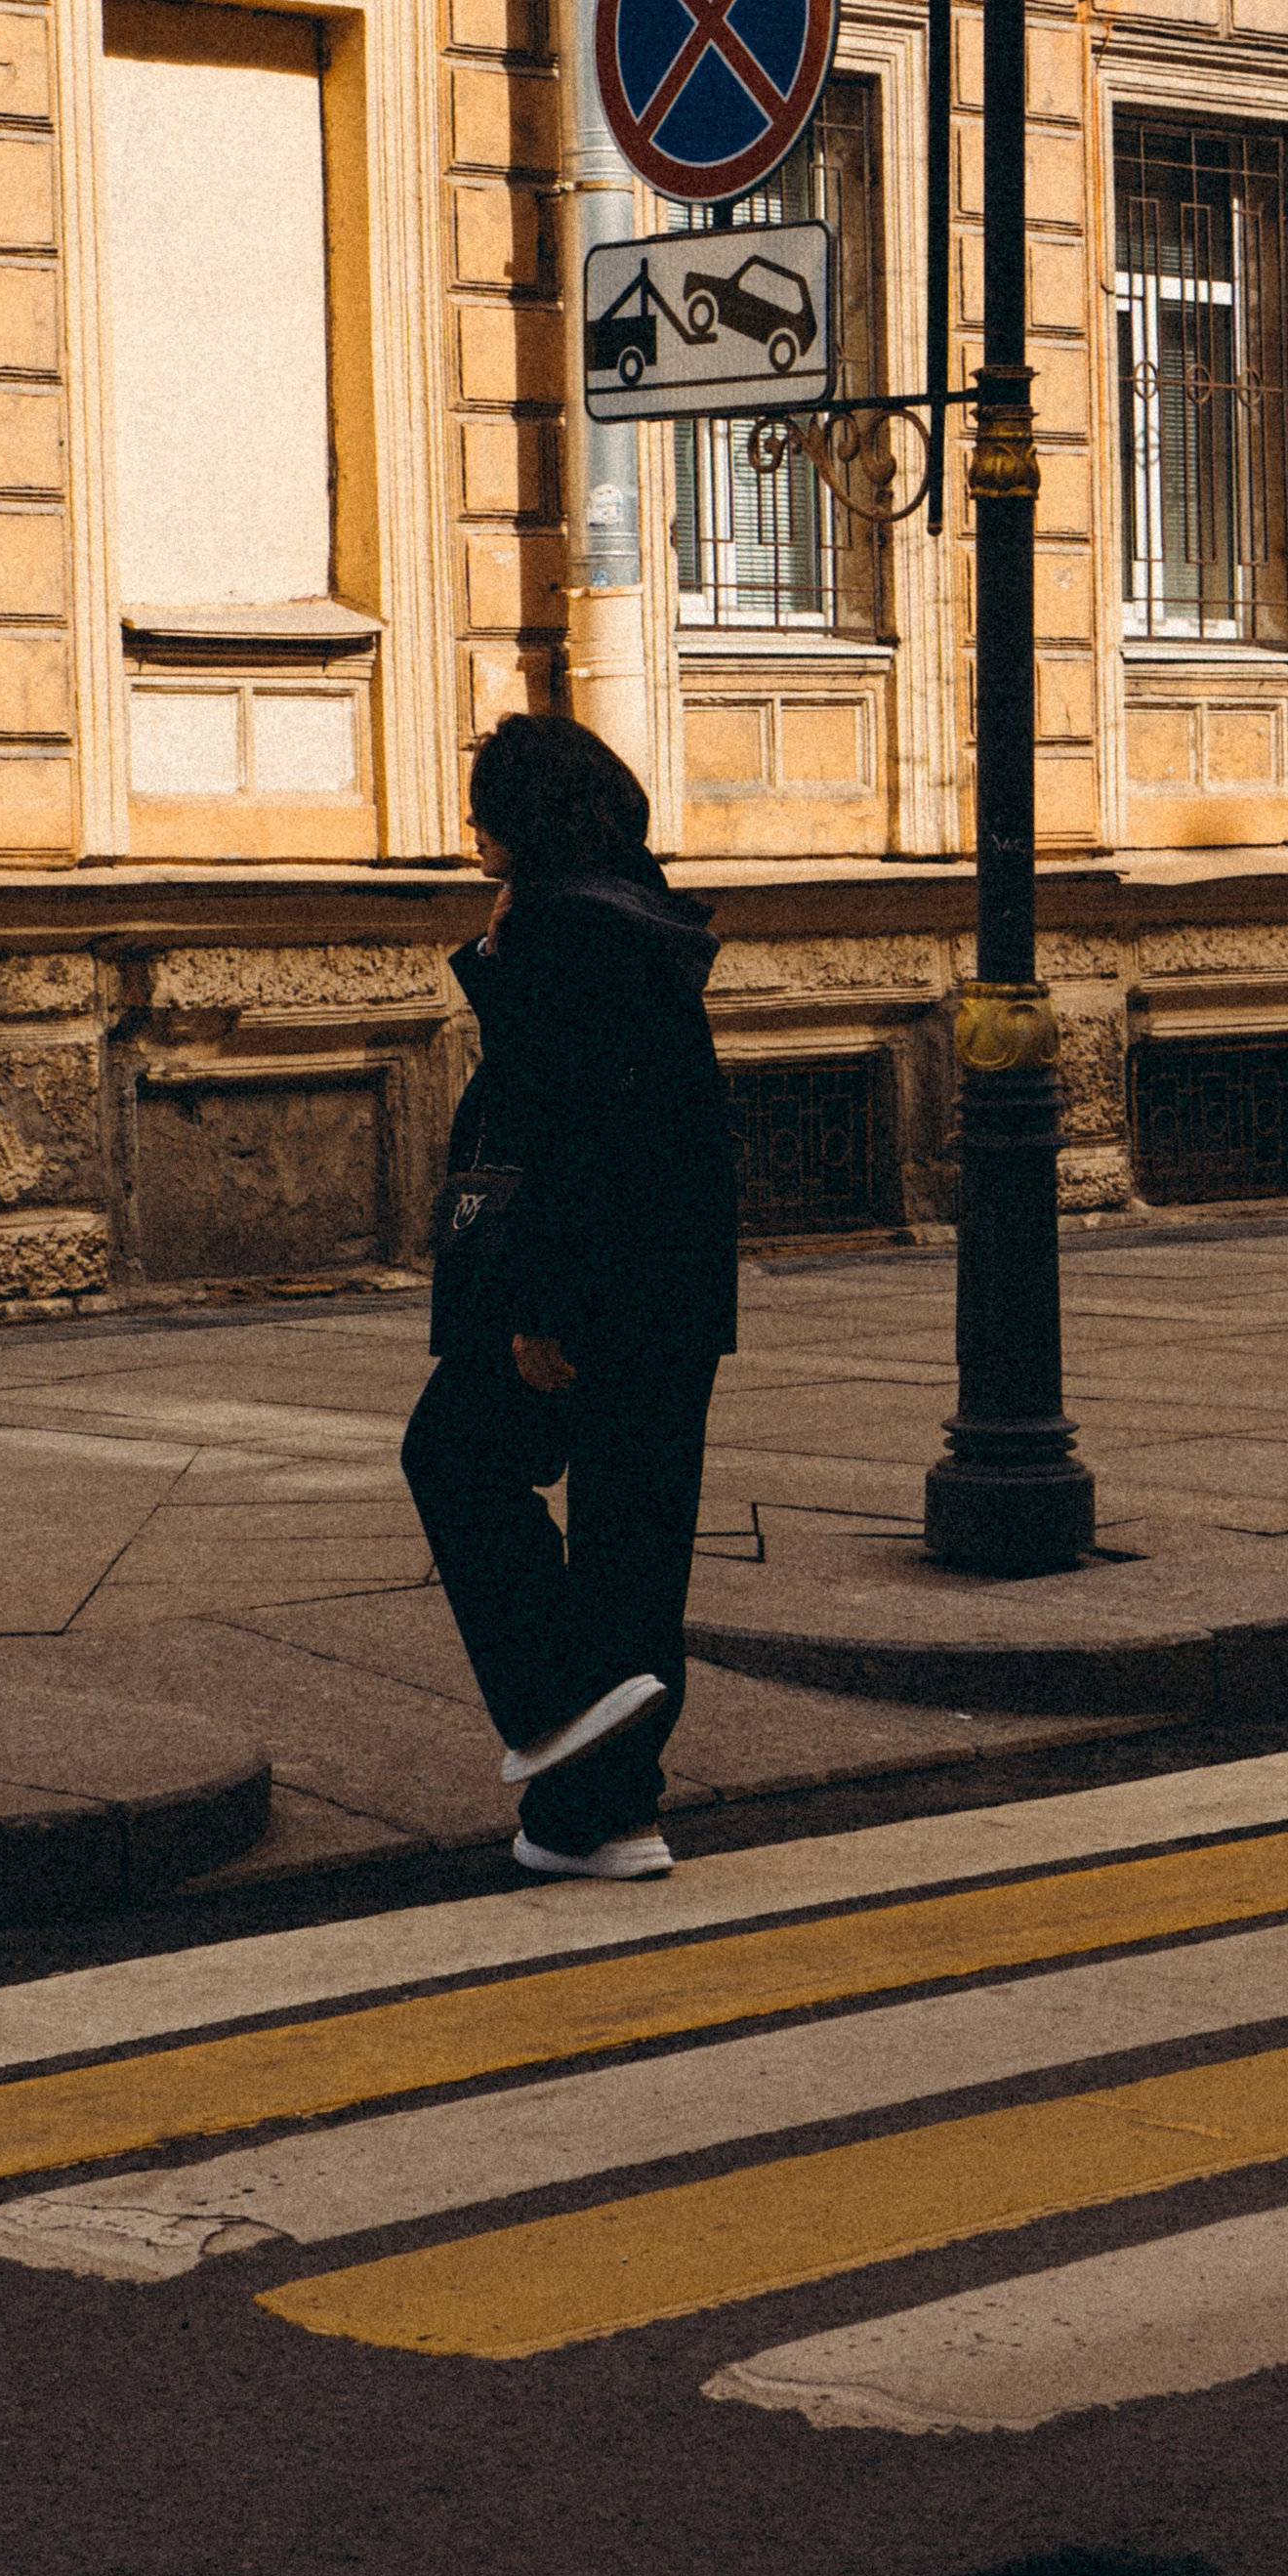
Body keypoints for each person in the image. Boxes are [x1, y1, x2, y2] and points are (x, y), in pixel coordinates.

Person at [401, 710, 738, 1881]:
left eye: (484, 799)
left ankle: (554, 1709)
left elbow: (561, 1122)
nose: (469, 823)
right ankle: (603, 1817)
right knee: (634, 1537)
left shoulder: (558, 931)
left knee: (447, 1455)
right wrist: (497, 963)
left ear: (527, 813)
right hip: (674, 1289)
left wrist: (535, 1305)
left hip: (582, 1286)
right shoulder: (633, 917)